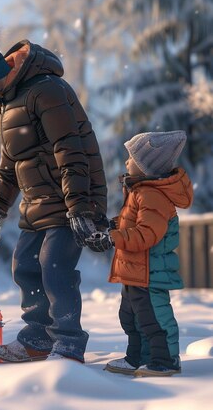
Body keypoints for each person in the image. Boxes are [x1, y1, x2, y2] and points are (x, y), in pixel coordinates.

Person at [0, 14, 107, 363]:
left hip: (73, 198)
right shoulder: (6, 105)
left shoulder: (47, 90)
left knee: (54, 267)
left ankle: (68, 343)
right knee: (24, 264)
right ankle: (37, 339)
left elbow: (70, 149)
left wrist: (81, 208)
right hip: (39, 202)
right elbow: (10, 165)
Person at [86, 130, 193, 377]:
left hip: (149, 273)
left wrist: (113, 238)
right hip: (136, 271)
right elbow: (134, 224)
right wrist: (112, 225)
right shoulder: (140, 192)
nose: (126, 162)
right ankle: (137, 357)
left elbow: (146, 234)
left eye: (131, 158)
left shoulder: (152, 195)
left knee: (153, 318)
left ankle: (165, 359)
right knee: (131, 318)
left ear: (146, 166)